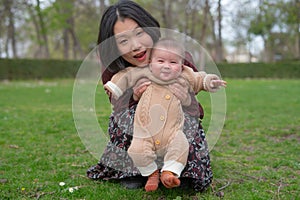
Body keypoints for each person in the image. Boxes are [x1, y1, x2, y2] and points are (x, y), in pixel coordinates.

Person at [87, 0, 214, 192]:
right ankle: (136, 170)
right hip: (141, 128)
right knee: (123, 119)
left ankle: (177, 170)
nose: (135, 46)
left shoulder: (178, 57)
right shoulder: (115, 69)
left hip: (173, 123)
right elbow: (117, 108)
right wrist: (134, 97)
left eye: (139, 33)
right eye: (123, 41)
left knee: (188, 125)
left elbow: (196, 110)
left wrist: (187, 100)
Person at [104, 38, 226, 192]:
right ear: (151, 62)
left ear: (181, 66)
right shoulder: (144, 73)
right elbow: (126, 76)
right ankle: (152, 173)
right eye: (160, 61)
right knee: (136, 150)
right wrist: (114, 87)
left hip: (172, 132)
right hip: (145, 132)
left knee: (181, 146)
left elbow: (199, 79)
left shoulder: (184, 76)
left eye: (173, 63)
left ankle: (169, 172)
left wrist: (210, 82)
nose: (167, 66)